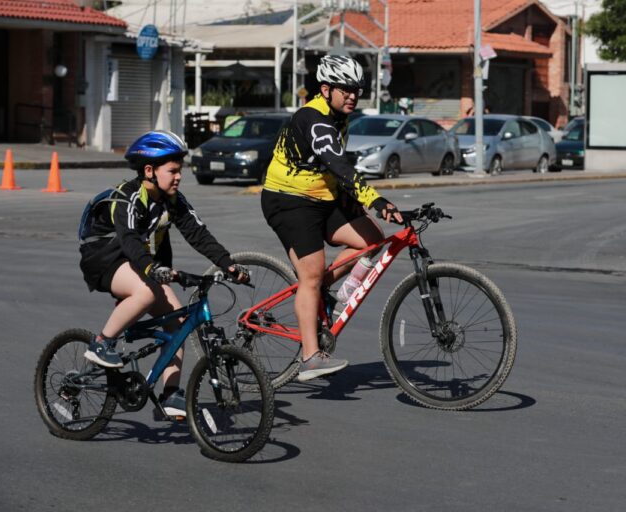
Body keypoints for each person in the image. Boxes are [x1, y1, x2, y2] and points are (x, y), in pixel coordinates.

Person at [79, 130, 249, 416]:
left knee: (179, 322)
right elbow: (130, 240)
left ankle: (170, 394)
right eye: (172, 171)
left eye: (179, 170)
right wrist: (152, 268)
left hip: (140, 264)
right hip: (105, 259)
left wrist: (227, 264)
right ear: (149, 170)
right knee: (145, 292)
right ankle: (101, 344)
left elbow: (197, 233)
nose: (179, 176)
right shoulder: (129, 196)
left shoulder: (173, 200)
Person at [261, 55, 403, 382]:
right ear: (326, 89)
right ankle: (311, 357)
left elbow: (335, 172)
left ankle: (325, 291)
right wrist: (376, 199)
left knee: (372, 239)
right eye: (346, 90)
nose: (353, 95)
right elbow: (341, 166)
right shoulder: (314, 119)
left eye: (357, 90)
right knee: (310, 275)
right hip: (289, 199)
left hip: (323, 193)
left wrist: (370, 204)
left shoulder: (340, 116)